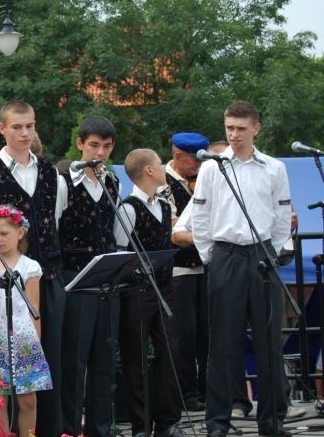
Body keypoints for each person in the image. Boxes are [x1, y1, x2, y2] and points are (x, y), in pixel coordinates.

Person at [192, 101, 291, 437]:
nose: (233, 135)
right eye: (229, 128)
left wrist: (271, 251)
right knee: (221, 344)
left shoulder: (274, 168)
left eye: (240, 128)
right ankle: (217, 422)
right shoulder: (211, 168)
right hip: (226, 257)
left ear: (255, 129)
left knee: (269, 344)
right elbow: (201, 218)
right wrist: (211, 258)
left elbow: (282, 216)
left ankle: (272, 421)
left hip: (263, 256)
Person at [0, 100, 64, 437]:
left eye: (29, 126)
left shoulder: (51, 171)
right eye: (16, 127)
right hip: (0, 283)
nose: (25, 133)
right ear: (3, 129)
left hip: (44, 277)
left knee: (42, 368)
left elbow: (57, 217)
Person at [114, 149, 185, 437]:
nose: (164, 168)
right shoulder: (129, 208)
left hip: (164, 287)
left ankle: (168, 421)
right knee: (136, 357)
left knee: (170, 351)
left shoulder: (165, 205)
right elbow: (120, 249)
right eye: (160, 164)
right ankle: (140, 424)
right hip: (137, 291)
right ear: (149, 171)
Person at [57, 114, 119, 437]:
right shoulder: (63, 181)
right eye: (94, 145)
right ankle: (69, 428)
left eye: (106, 147)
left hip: (106, 281)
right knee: (74, 362)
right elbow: (53, 230)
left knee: (104, 364)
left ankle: (100, 429)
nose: (100, 153)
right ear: (80, 144)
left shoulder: (112, 182)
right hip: (75, 280)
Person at [0, 205, 52, 437]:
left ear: (20, 233)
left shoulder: (29, 267)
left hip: (22, 341)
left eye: (4, 233)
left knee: (27, 400)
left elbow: (33, 308)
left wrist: (35, 344)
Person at [162, 132, 210, 412]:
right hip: (179, 269)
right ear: (178, 156)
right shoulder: (163, 183)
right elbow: (172, 228)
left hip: (205, 267)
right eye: (195, 159)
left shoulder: (205, 179)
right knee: (184, 335)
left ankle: (206, 390)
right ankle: (186, 394)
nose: (200, 164)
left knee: (207, 333)